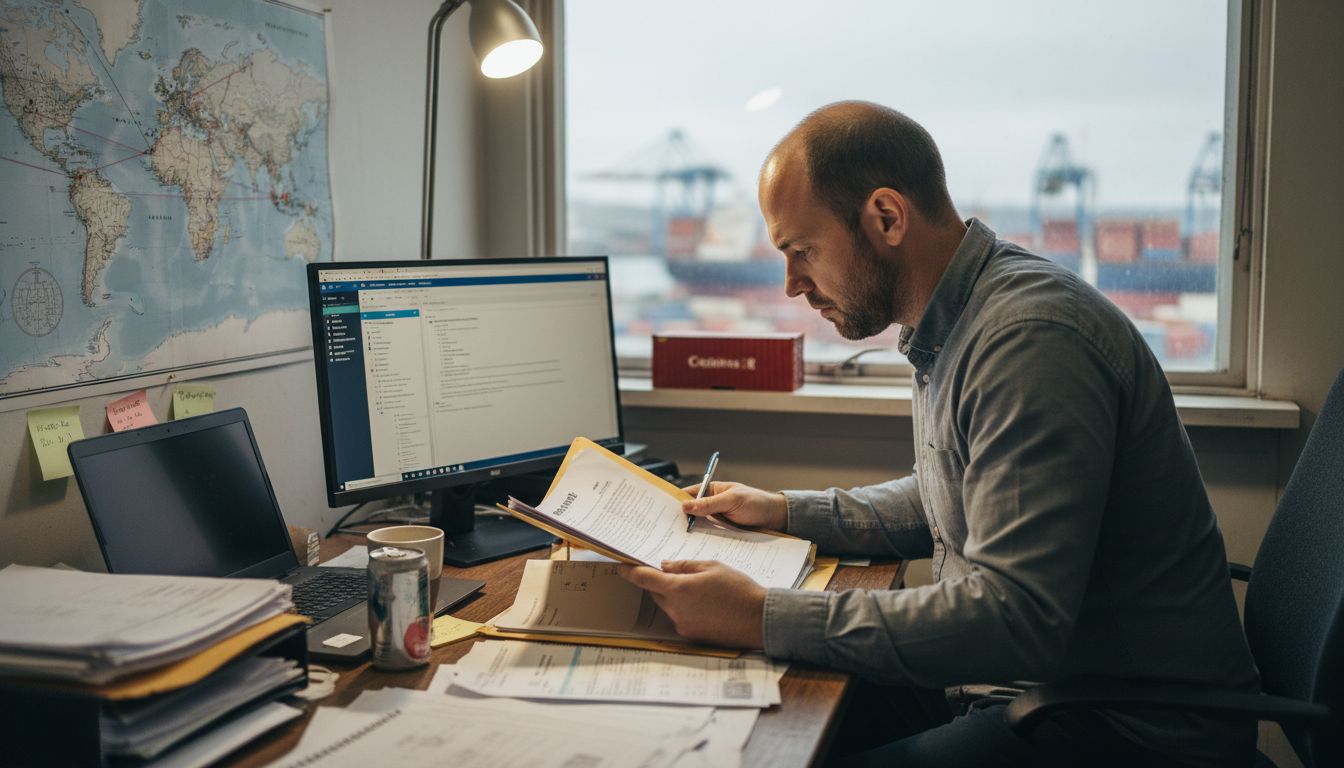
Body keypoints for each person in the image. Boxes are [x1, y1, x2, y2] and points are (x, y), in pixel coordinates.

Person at [618, 101, 1259, 766]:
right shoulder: (958, 321)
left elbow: (1015, 619)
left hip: (1117, 729)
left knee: (781, 743)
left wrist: (759, 615)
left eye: (803, 250)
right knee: (755, 728)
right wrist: (783, 511)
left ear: (887, 217)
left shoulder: (1027, 342)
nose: (790, 285)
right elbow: (946, 493)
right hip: (1024, 690)